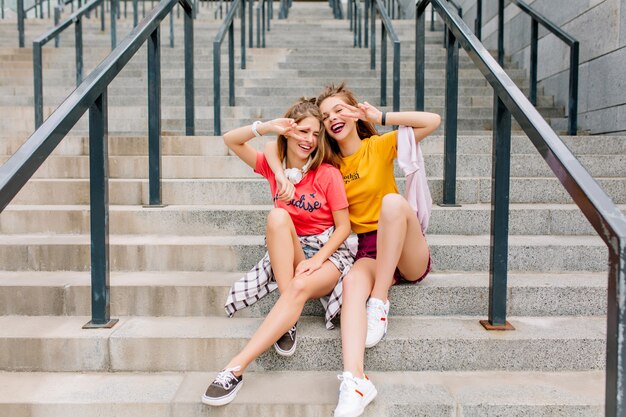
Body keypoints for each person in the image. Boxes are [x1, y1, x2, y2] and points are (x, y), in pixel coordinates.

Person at [201, 98, 354, 407]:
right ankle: (289, 318)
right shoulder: (275, 171)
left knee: (298, 283)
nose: (309, 140)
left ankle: (235, 368)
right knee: (276, 217)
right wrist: (267, 127)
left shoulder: (327, 174)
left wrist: (316, 260)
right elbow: (232, 139)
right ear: (288, 132)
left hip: (328, 255)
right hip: (293, 249)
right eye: (302, 132)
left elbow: (343, 228)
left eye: (315, 134)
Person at [315, 82, 440, 417]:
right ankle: (356, 381)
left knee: (393, 203)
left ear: (355, 113)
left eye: (339, 109)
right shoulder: (329, 168)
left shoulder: (379, 146)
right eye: (326, 116)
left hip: (403, 244)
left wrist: (382, 116)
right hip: (367, 249)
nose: (333, 118)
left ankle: (380, 300)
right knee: (354, 282)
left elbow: (432, 120)